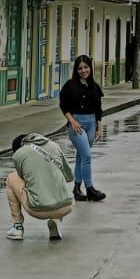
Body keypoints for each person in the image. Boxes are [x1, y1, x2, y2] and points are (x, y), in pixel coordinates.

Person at [5, 132, 74, 242]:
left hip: (38, 209)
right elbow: (69, 177)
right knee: (53, 179)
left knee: (11, 178)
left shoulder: (19, 154)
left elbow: (23, 178)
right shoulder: (54, 146)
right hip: (66, 206)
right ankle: (56, 221)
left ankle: (17, 227)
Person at [58, 54, 105, 202]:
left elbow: (98, 108)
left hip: (92, 123)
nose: (83, 70)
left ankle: (77, 189)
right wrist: (72, 121)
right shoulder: (69, 86)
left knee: (81, 157)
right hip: (76, 125)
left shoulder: (95, 87)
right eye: (80, 68)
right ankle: (90, 188)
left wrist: (99, 127)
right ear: (76, 70)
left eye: (86, 67)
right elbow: (63, 105)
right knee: (86, 156)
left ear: (90, 67)